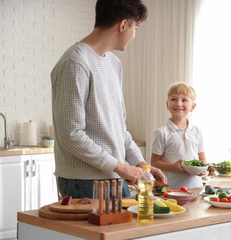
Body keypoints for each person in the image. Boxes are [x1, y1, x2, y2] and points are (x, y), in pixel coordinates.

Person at [51, 0, 166, 199]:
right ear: (123, 25)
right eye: (135, 27)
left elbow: (119, 128)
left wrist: (141, 166)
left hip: (114, 177)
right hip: (85, 182)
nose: (134, 35)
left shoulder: (114, 63)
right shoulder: (75, 63)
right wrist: (121, 167)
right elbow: (71, 135)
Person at [151, 82, 207, 189]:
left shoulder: (197, 131)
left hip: (196, 188)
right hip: (173, 188)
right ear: (167, 105)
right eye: (174, 99)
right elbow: (154, 162)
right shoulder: (162, 132)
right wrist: (174, 167)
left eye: (184, 100)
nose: (179, 104)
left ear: (192, 106)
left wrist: (202, 170)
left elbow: (203, 160)